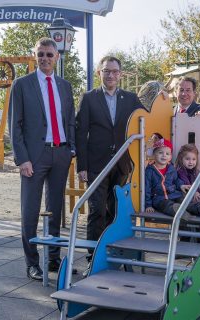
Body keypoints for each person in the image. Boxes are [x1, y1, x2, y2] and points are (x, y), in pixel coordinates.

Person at [9, 37, 76, 281]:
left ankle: (53, 259)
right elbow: (14, 126)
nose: (45, 58)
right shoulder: (22, 85)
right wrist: (22, 159)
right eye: (41, 54)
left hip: (60, 153)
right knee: (30, 210)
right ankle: (32, 263)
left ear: (57, 57)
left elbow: (70, 120)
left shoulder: (65, 86)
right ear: (34, 56)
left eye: (49, 54)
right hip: (34, 157)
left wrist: (72, 149)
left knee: (55, 209)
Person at [75, 56, 143, 260]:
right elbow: (80, 133)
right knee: (96, 209)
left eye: (114, 71)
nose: (111, 75)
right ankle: (93, 255)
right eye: (106, 71)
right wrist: (82, 165)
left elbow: (144, 122)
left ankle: (113, 250)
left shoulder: (131, 99)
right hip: (96, 163)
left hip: (123, 163)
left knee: (116, 209)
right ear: (99, 73)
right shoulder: (88, 98)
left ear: (120, 74)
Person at [145, 139, 200, 219]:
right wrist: (148, 205)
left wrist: (181, 186)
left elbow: (176, 180)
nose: (164, 155)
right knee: (168, 206)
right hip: (159, 198)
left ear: (170, 157)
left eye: (167, 154)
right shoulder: (150, 171)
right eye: (160, 153)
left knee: (184, 201)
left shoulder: (171, 168)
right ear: (154, 154)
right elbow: (147, 188)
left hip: (174, 194)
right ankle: (180, 213)